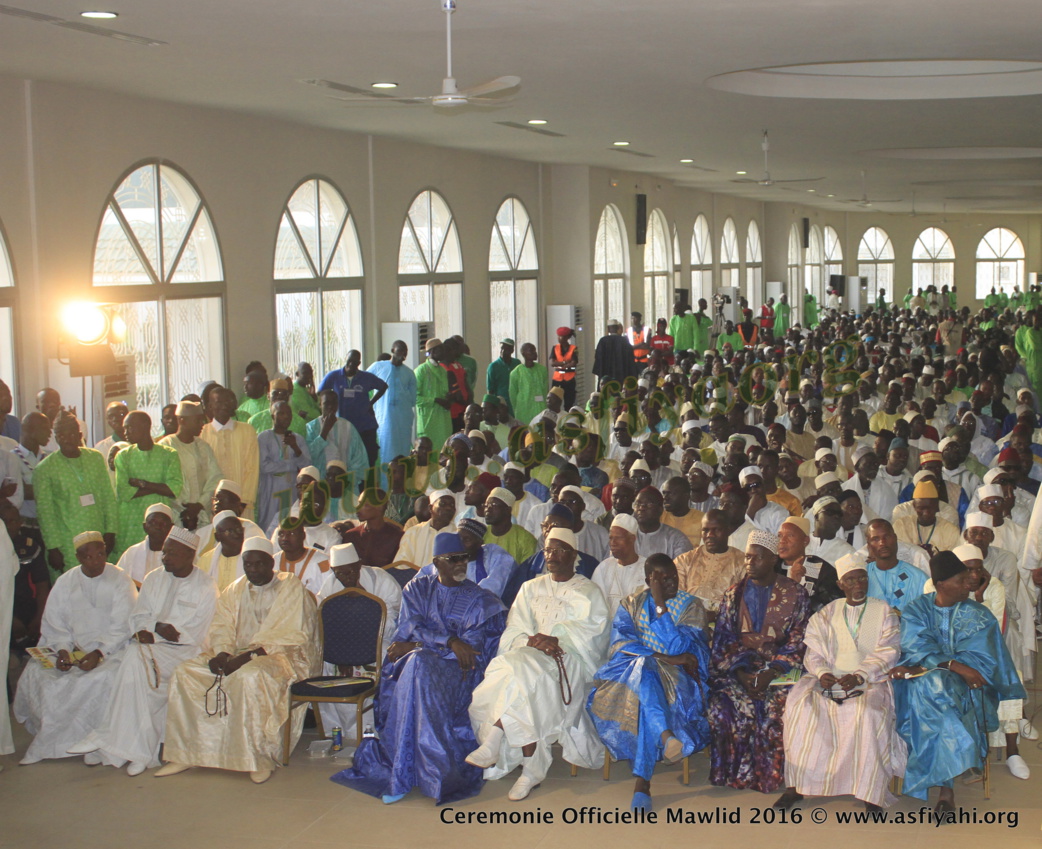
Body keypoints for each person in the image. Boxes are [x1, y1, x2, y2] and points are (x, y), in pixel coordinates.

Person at [332, 532, 506, 804]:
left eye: (464, 558)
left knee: (418, 664)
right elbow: (408, 629)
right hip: (417, 667)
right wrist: (448, 640)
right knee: (418, 666)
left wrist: (417, 646)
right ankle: (422, 773)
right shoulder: (417, 589)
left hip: (459, 676)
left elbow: (469, 654)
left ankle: (401, 773)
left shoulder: (480, 599)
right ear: (437, 562)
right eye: (453, 559)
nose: (461, 564)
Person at [156, 536, 320, 784]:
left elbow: (288, 634)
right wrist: (222, 653)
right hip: (237, 654)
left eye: (259, 564)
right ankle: (187, 753)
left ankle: (256, 757)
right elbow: (221, 626)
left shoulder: (289, 585)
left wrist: (247, 657)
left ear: (270, 562)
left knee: (249, 676)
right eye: (248, 565)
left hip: (282, 657)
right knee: (186, 672)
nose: (253, 570)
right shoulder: (235, 588)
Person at [467, 527, 610, 801]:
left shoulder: (589, 591)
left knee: (517, 674)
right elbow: (514, 629)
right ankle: (531, 768)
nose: (551, 555)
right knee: (516, 671)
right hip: (528, 653)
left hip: (568, 659)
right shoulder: (530, 587)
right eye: (547, 549)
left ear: (573, 554)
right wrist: (533, 640)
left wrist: (555, 638)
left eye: (558, 549)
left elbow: (595, 635)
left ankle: (496, 737)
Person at [70, 527, 218, 775]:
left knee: (133, 659)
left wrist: (158, 632)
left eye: (172, 554)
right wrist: (153, 627)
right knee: (136, 666)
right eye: (164, 553)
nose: (165, 558)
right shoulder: (153, 578)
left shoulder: (205, 586)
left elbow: (194, 633)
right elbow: (139, 615)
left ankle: (106, 737)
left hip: (185, 653)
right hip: (149, 649)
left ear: (190, 555)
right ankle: (139, 752)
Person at [890, 551, 1025, 813]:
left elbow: (983, 662)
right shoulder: (917, 609)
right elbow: (915, 646)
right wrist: (953, 665)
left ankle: (944, 784)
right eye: (962, 580)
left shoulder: (979, 614)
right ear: (941, 585)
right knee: (936, 686)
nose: (969, 584)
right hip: (918, 686)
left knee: (939, 688)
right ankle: (950, 782)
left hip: (967, 690)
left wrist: (942, 666)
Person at [776, 554, 905, 811]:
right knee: (801, 709)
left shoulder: (884, 611)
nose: (858, 584)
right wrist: (823, 672)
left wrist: (860, 674)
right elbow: (813, 652)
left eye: (862, 578)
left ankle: (870, 792)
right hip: (829, 679)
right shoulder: (827, 613)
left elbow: (890, 650)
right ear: (840, 584)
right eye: (851, 580)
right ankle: (796, 787)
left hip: (870, 680)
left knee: (866, 714)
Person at [588, 554, 711, 812]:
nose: (670, 583)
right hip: (631, 675)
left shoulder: (691, 605)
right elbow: (620, 645)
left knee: (644, 680)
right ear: (648, 580)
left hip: (679, 682)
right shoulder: (630, 604)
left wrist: (659, 603)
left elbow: (682, 647)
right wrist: (663, 657)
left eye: (673, 577)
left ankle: (643, 783)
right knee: (644, 669)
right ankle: (665, 738)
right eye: (661, 579)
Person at [13, 530, 137, 764]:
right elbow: (54, 624)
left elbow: (122, 627)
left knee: (101, 679)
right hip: (72, 651)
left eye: (101, 554)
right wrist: (61, 651)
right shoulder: (65, 582)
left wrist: (99, 654)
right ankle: (53, 743)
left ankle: (95, 742)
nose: (97, 561)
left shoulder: (120, 579)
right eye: (90, 557)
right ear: (79, 557)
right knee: (39, 673)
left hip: (112, 652)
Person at [708, 530, 811, 792]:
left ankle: (770, 777)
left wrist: (771, 672)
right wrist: (742, 673)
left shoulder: (796, 593)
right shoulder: (733, 595)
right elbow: (723, 639)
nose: (749, 563)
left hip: (781, 669)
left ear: (773, 559)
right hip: (739, 669)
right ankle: (735, 775)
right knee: (724, 706)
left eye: (756, 558)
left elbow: (799, 640)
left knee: (776, 707)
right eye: (747, 558)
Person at [34, 411, 117, 581]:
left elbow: (108, 497)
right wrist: (53, 548)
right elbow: (45, 512)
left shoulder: (94, 458)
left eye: (72, 434)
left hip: (99, 537)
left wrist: (111, 531)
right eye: (61, 435)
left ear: (80, 435)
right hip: (67, 544)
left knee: (103, 588)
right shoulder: (45, 469)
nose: (67, 439)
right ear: (56, 438)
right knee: (72, 592)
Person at [112, 410, 182, 559]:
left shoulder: (169, 454)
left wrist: (142, 484)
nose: (125, 432)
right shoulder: (123, 456)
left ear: (145, 426)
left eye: (130, 427)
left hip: (159, 524)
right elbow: (124, 493)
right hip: (130, 522)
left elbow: (173, 488)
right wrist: (158, 487)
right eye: (124, 428)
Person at [159, 400, 223, 531]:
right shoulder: (165, 446)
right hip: (176, 516)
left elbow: (215, 478)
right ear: (182, 420)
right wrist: (184, 510)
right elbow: (164, 483)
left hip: (201, 514)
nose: (202, 425)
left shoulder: (203, 447)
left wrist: (198, 505)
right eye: (198, 420)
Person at [318, 349, 388, 468]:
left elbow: (383, 386)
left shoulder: (365, 377)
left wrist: (371, 402)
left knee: (368, 459)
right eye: (350, 361)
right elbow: (320, 393)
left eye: (355, 362)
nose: (351, 364)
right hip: (344, 426)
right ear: (345, 359)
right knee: (347, 459)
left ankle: (368, 485)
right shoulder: (334, 376)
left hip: (365, 426)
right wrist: (328, 408)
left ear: (359, 363)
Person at [200, 387, 261, 516]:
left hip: (241, 506)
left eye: (227, 402)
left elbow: (252, 469)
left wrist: (243, 502)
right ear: (210, 406)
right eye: (218, 402)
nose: (224, 406)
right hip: (212, 506)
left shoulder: (247, 431)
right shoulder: (202, 433)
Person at [673, 508, 746, 613]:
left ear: (728, 530)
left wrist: (717, 615)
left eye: (716, 530)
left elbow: (743, 601)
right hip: (687, 618)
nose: (710, 535)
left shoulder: (741, 562)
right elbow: (675, 596)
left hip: (725, 622)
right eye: (705, 530)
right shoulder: (685, 560)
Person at [257, 400, 312, 529]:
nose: (286, 417)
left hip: (292, 489)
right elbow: (264, 466)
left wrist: (295, 447)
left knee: (291, 522)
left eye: (288, 414)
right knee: (269, 525)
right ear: (272, 416)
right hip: (271, 490)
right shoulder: (264, 437)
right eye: (281, 413)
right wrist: (292, 465)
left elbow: (307, 466)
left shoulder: (297, 439)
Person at [368, 340, 417, 464]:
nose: (403, 354)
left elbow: (412, 400)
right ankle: (385, 483)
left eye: (405, 352)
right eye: (400, 350)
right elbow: (363, 381)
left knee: (403, 450)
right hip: (384, 418)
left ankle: (403, 481)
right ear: (392, 350)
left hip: (403, 419)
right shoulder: (378, 367)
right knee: (385, 449)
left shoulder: (409, 373)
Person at [863, 518, 927, 613]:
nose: (882, 543)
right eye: (875, 539)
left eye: (887, 537)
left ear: (895, 538)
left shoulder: (919, 578)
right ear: (868, 545)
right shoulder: (863, 576)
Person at [591, 513, 646, 618]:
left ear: (632, 539)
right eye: (611, 538)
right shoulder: (603, 568)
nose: (613, 542)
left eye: (618, 538)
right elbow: (595, 608)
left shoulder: (646, 568)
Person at [342, 488, 405, 568]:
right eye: (358, 503)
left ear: (380, 507)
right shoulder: (351, 536)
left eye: (364, 504)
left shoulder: (397, 537)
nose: (357, 508)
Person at [115, 503, 174, 586]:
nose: (158, 527)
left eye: (163, 523)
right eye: (153, 522)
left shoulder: (178, 554)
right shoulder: (131, 553)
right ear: (145, 526)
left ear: (171, 527)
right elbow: (118, 582)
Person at [415, 338, 453, 454]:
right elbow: (414, 398)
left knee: (444, 452)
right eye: (441, 349)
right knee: (429, 454)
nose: (444, 352)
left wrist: (449, 398)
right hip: (428, 421)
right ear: (432, 351)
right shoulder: (421, 370)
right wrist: (435, 400)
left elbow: (445, 392)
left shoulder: (443, 370)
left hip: (443, 420)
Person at [509, 342, 549, 426]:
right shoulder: (516, 373)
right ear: (523, 353)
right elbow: (513, 396)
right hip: (524, 411)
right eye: (531, 351)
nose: (535, 353)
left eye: (535, 351)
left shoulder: (542, 370)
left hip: (540, 409)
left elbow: (546, 391)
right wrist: (518, 409)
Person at [593, 319, 637, 385]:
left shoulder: (603, 341)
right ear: (618, 328)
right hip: (621, 375)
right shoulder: (624, 341)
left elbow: (598, 358)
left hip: (605, 375)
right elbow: (630, 359)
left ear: (608, 329)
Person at [486, 338, 520, 415]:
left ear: (512, 350)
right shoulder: (493, 366)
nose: (503, 351)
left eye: (506, 348)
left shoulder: (517, 363)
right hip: (501, 403)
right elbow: (490, 390)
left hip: (517, 402)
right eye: (502, 348)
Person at [550, 326, 579, 409]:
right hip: (557, 379)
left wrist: (560, 364)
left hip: (569, 379)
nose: (559, 338)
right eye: (558, 336)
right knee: (554, 401)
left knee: (569, 402)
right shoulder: (555, 348)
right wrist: (565, 363)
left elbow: (574, 362)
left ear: (567, 337)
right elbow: (552, 363)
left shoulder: (574, 348)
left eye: (561, 336)